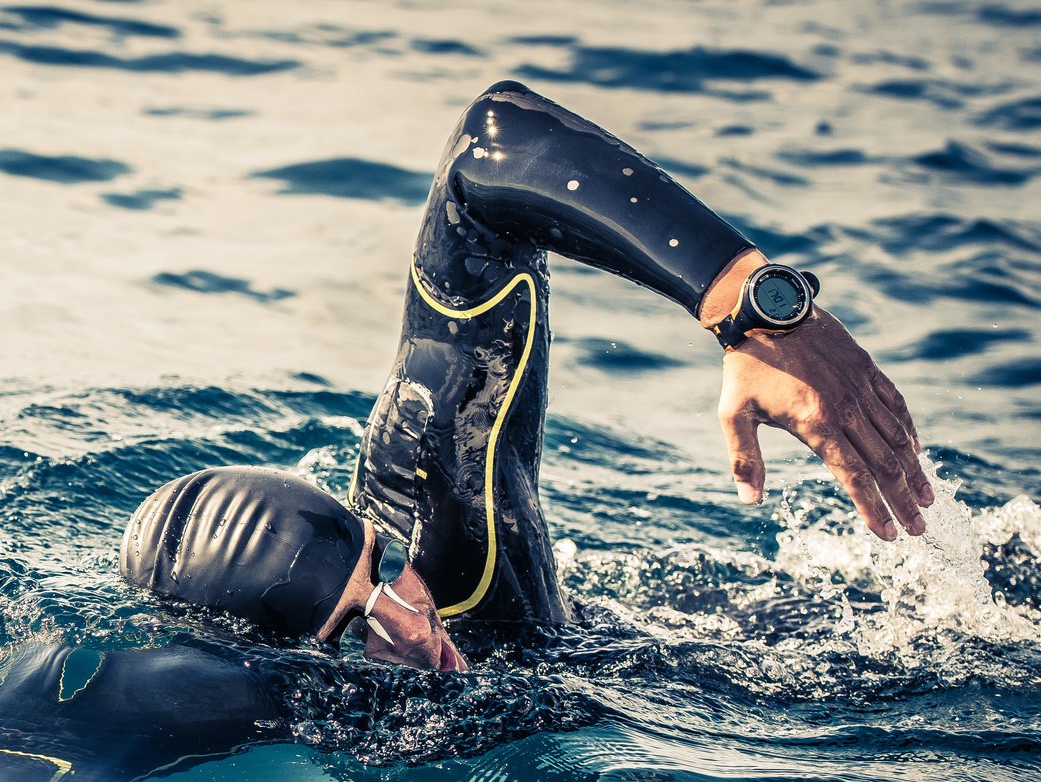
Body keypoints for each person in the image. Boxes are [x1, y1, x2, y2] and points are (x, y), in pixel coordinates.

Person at [122, 79, 932, 670]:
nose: (410, 618)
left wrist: (748, 308)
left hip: (780, 640)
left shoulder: (448, 549)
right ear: (290, 660)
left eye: (387, 565)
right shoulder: (260, 698)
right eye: (353, 626)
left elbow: (488, 148)